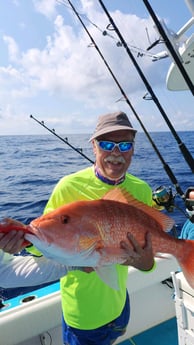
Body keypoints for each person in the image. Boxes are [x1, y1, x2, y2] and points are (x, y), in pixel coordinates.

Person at [0, 111, 155, 345]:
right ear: (94, 146)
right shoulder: (68, 187)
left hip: (120, 305)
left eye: (125, 145)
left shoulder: (141, 190)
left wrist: (145, 264)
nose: (116, 153)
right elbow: (43, 243)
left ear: (133, 149)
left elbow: (149, 253)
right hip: (83, 315)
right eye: (106, 144)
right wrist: (26, 242)